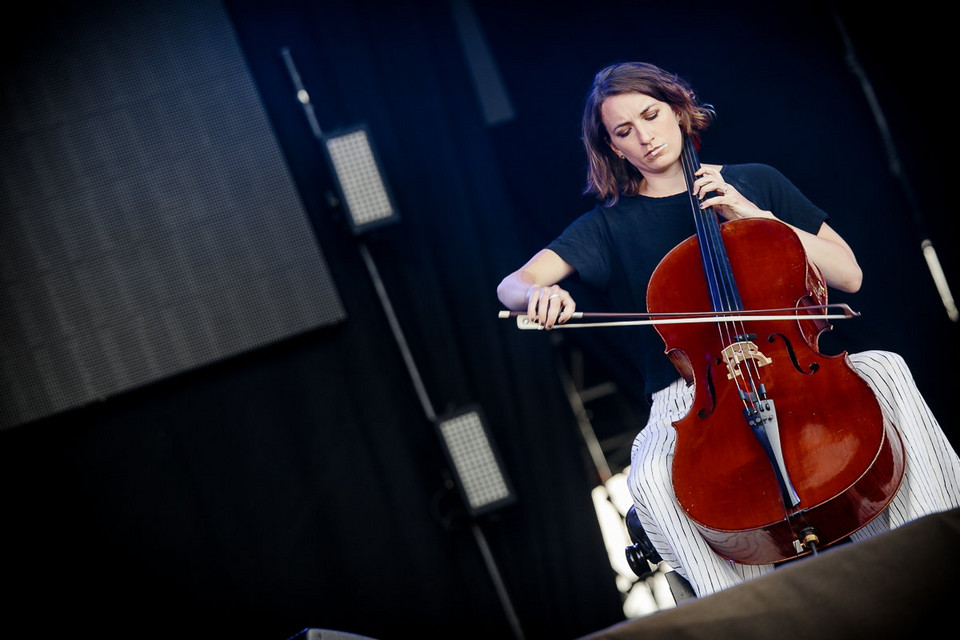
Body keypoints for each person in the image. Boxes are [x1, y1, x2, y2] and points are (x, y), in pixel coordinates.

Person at [497, 61, 960, 598]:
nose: (644, 137)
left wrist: (754, 215)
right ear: (612, 148)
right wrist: (538, 293)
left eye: (650, 115)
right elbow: (514, 284)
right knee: (650, 482)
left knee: (887, 371)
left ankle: (935, 547)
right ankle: (741, 611)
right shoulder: (607, 226)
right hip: (692, 397)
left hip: (792, 369)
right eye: (624, 131)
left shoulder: (754, 180)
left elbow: (848, 274)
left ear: (677, 109)